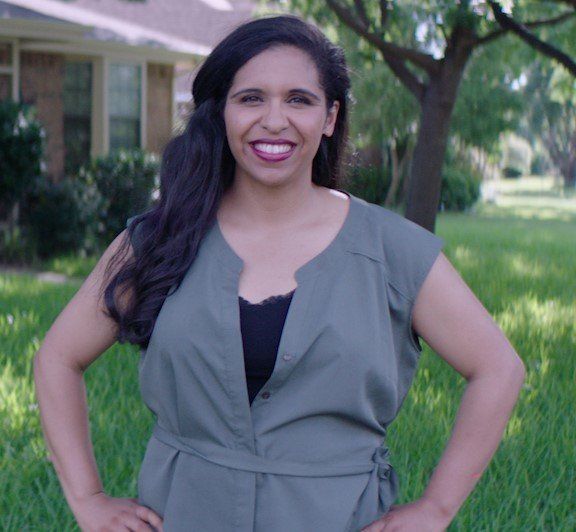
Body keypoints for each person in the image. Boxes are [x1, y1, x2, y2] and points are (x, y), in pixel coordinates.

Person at [33, 14, 526, 532]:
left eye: (299, 99)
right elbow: (58, 359)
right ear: (221, 111)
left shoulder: (392, 250)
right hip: (184, 515)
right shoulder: (159, 238)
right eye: (251, 98)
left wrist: (436, 508)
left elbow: (498, 368)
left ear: (330, 117)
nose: (274, 120)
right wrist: (87, 498)